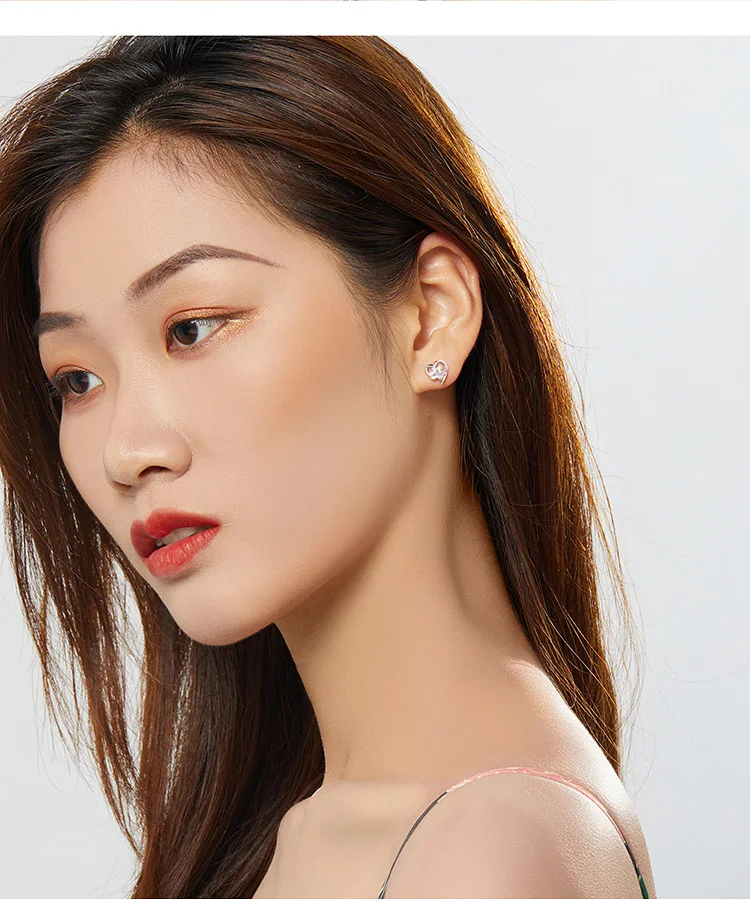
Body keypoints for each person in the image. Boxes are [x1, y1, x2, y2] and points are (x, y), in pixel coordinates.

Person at [0, 36, 656, 899]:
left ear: (430, 315)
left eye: (192, 328)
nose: (126, 450)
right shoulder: (313, 822)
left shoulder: (487, 849)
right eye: (77, 380)